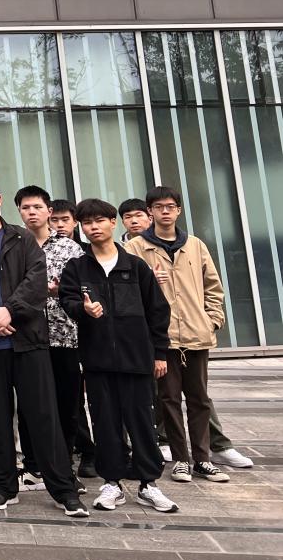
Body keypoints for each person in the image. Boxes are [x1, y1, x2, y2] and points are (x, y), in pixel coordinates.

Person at [0, 175, 87, 517]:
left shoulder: (21, 238)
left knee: (43, 415)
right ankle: (3, 487)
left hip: (27, 340)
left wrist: (9, 311)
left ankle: (63, 489)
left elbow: (35, 282)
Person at [60, 199, 179, 514]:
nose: (94, 227)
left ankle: (148, 483)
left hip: (137, 360)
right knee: (105, 422)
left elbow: (157, 311)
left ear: (113, 222)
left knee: (141, 422)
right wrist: (83, 309)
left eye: (99, 220)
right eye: (87, 222)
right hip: (97, 361)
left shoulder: (135, 266)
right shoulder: (77, 267)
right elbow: (67, 301)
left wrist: (160, 353)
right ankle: (111, 482)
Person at [124, 186, 229, 484]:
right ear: (150, 212)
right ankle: (181, 459)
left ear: (179, 210)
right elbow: (126, 290)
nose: (165, 212)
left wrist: (212, 321)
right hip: (162, 338)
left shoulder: (195, 245)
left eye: (170, 206)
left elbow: (213, 287)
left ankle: (203, 459)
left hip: (196, 335)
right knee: (168, 399)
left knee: (199, 399)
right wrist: (148, 280)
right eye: (159, 207)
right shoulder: (135, 248)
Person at [15, 185, 95, 483]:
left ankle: (65, 464)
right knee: (29, 404)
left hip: (65, 336)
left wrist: (60, 291)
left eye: (37, 207)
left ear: (49, 211)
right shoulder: (15, 246)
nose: (31, 212)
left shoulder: (70, 248)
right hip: (27, 336)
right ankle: (33, 465)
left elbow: (84, 288)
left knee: (67, 404)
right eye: (25, 208)